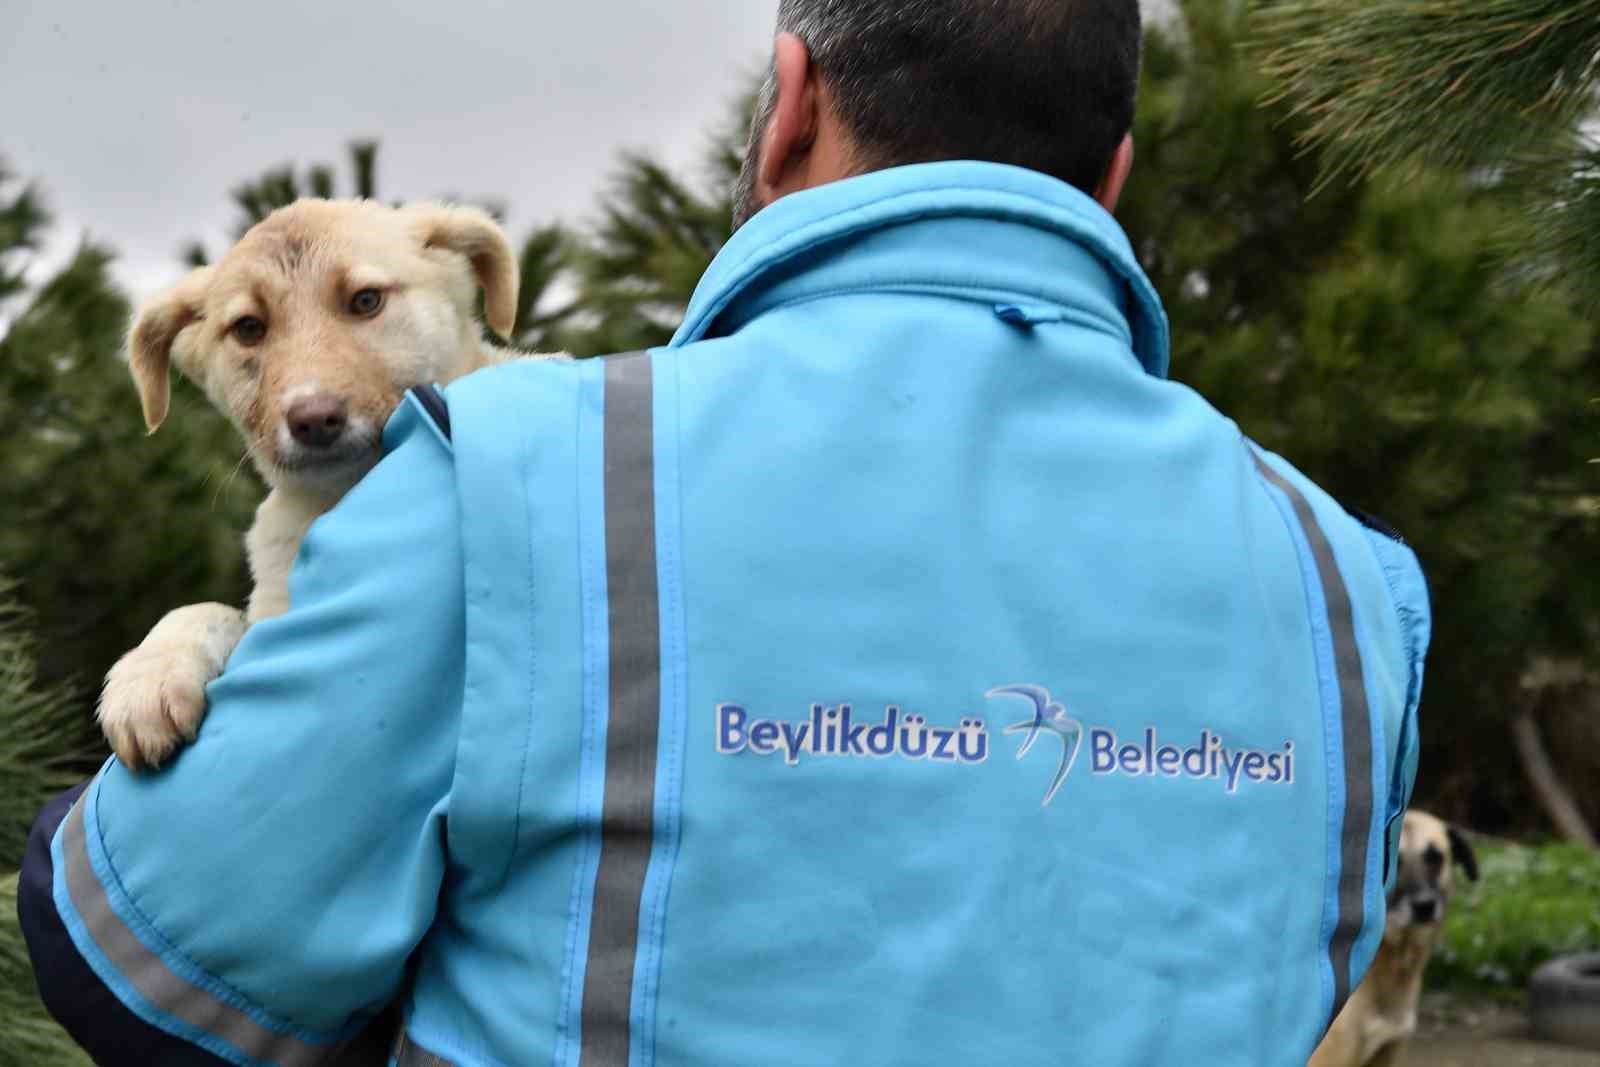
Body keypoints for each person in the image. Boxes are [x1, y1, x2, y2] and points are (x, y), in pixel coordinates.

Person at [19, 2, 1431, 1065]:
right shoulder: (1354, 590)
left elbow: (154, 960)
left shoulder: (521, 479)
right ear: (1111, 176)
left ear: (789, 107)